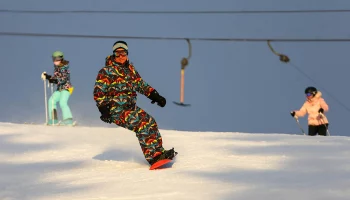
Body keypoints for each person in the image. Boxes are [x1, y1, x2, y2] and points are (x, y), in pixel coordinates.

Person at [93, 40, 177, 166]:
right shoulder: (106, 71)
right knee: (142, 125)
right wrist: (104, 110)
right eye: (118, 54)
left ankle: (159, 152)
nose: (121, 57)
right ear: (114, 55)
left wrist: (156, 96)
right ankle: (153, 157)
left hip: (130, 108)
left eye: (123, 53)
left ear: (127, 54)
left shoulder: (130, 70)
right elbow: (98, 92)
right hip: (116, 110)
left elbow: (141, 85)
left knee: (151, 122)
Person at [41, 51, 75, 126]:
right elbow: (56, 78)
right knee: (51, 100)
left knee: (63, 102)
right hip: (60, 89)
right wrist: (48, 77)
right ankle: (53, 119)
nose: (55, 61)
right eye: (54, 59)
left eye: (57, 59)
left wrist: (54, 80)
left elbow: (63, 79)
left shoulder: (64, 68)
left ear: (61, 59)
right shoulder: (57, 68)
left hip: (66, 88)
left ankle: (68, 120)